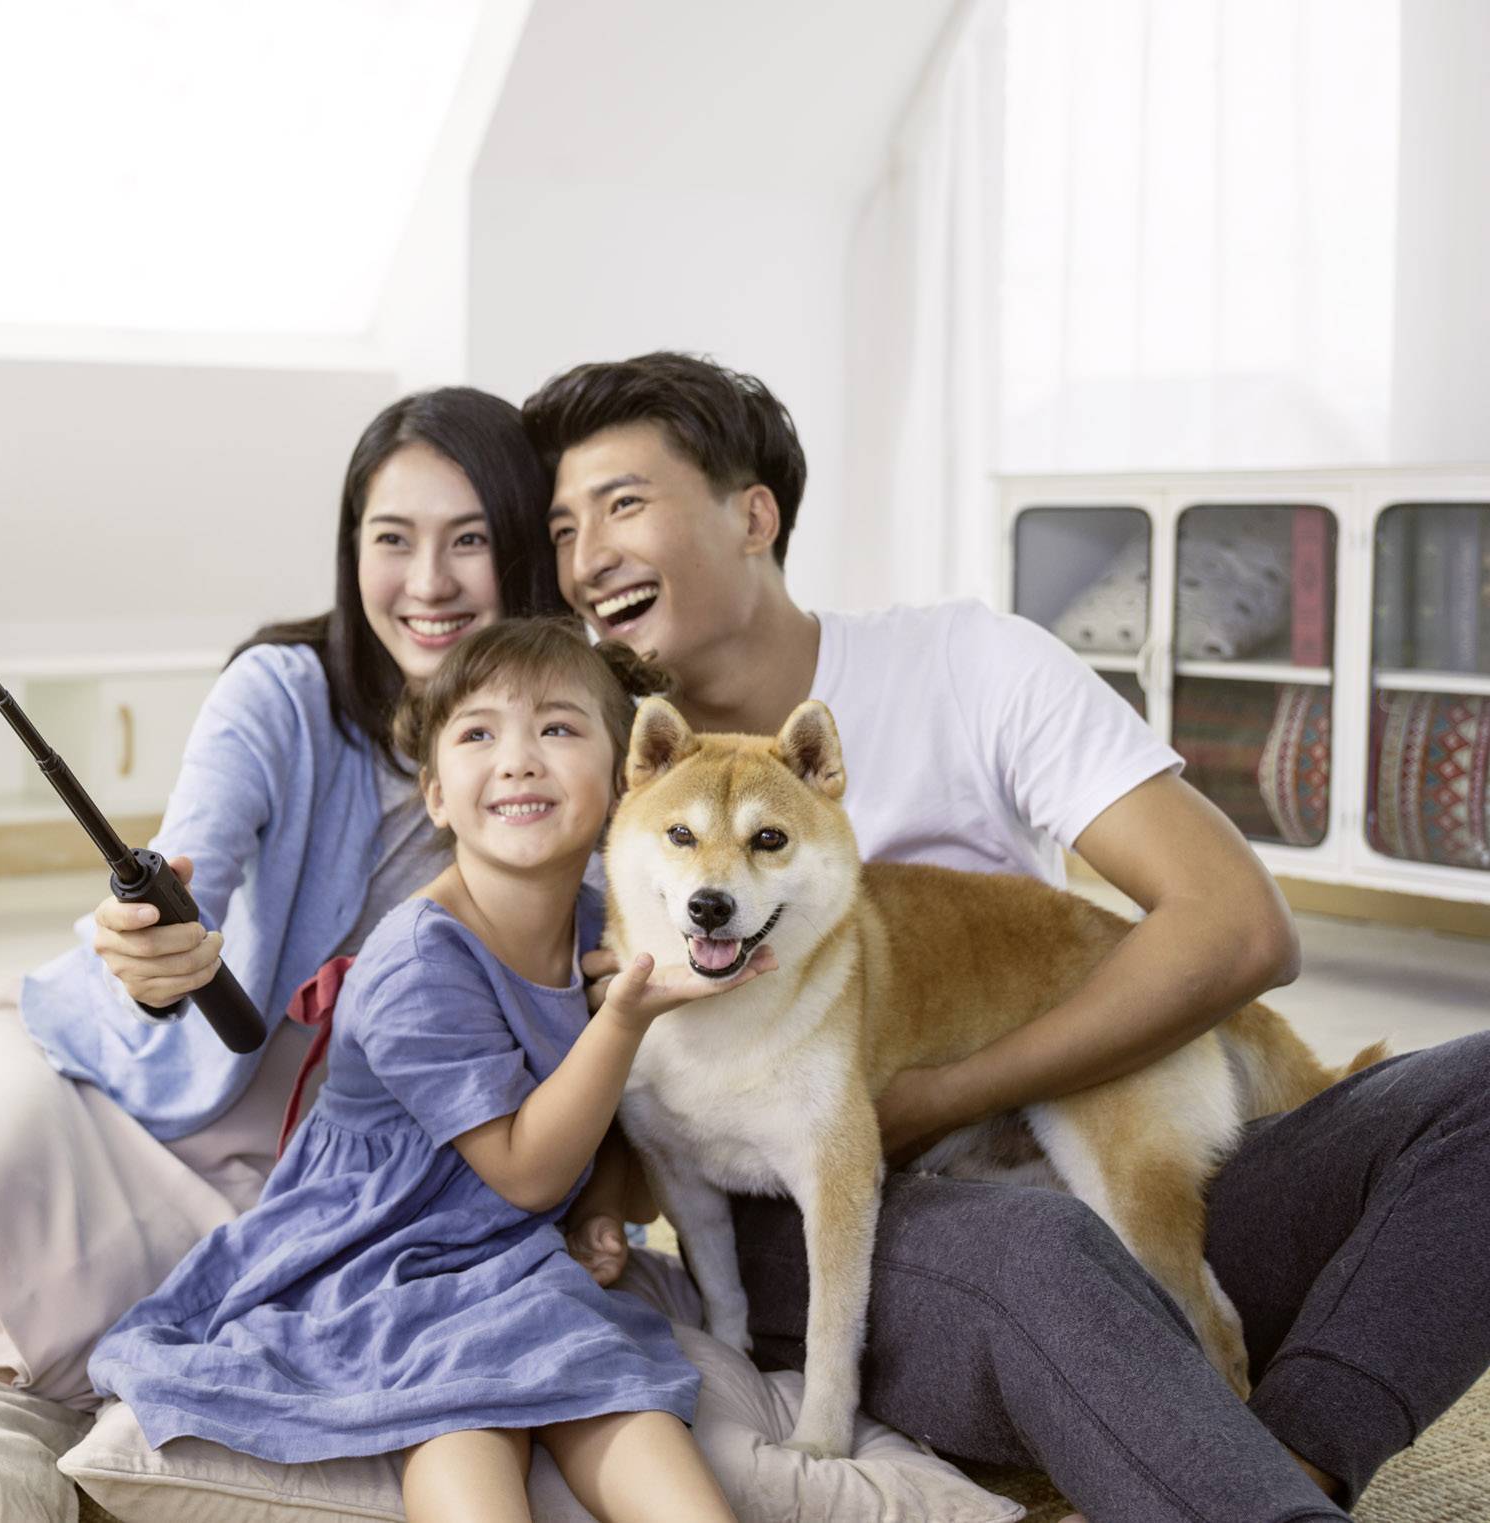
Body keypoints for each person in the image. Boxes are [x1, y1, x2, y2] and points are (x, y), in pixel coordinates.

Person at [525, 350, 1490, 1523]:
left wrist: (945, 1091)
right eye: (565, 526)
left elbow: (1237, 928)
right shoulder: (593, 772)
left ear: (752, 515)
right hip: (845, 1238)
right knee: (1041, 1247)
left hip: (1105, 1163)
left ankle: (1292, 1459)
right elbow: (616, 1131)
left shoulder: (969, 663)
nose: (585, 558)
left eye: (622, 502)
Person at [0, 386, 566, 1408]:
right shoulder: (282, 691)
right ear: (353, 549)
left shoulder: (561, 744)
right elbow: (192, 854)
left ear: (519, 545)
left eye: (468, 539)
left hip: (282, 1154)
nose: (428, 581)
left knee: (18, 1355)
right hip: (115, 1058)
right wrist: (152, 943)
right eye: (393, 537)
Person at [91, 618, 753, 1523]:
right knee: (465, 1411)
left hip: (515, 1253)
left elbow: (619, 1141)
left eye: (558, 728)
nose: (518, 759)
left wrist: (603, 1204)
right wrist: (627, 1019)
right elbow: (525, 1172)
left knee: (611, 1389)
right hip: (379, 1255)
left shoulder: (616, 917)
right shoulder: (415, 961)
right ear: (438, 795)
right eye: (480, 734)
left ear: (622, 784)